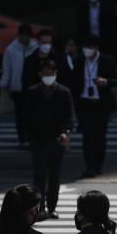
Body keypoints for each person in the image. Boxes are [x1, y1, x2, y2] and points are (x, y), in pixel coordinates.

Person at [23, 59, 75, 221]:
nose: (49, 76)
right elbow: (25, 116)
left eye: (51, 73)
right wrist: (29, 136)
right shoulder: (32, 92)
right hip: (37, 139)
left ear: (56, 74)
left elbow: (70, 115)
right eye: (45, 73)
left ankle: (51, 208)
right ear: (39, 74)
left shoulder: (63, 92)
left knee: (54, 175)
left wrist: (66, 132)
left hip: (56, 139)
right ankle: (39, 209)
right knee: (39, 175)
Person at [71, 34, 117, 178]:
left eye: (90, 47)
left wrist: (104, 81)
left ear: (97, 47)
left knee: (100, 135)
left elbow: (116, 80)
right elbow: (74, 83)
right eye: (85, 47)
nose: (87, 50)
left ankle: (98, 164)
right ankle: (90, 165)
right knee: (88, 136)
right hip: (85, 102)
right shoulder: (79, 60)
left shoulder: (107, 60)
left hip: (101, 103)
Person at [0, 23, 38, 150]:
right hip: (17, 87)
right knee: (20, 115)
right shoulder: (11, 49)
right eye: (22, 35)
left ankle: (30, 138)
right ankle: (22, 139)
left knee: (32, 115)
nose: (25, 38)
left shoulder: (35, 47)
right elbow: (7, 69)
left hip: (32, 86)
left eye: (27, 35)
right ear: (18, 35)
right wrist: (4, 85)